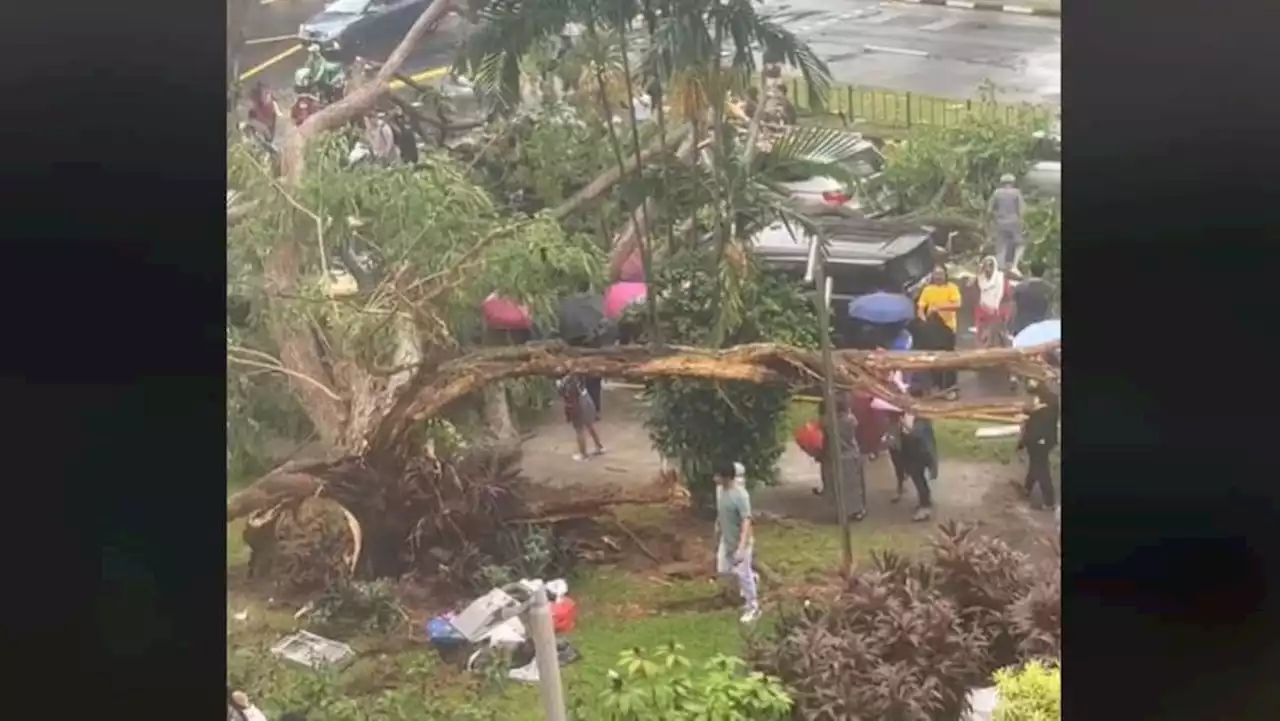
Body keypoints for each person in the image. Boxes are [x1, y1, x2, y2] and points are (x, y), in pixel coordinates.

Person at [713, 461, 760, 623]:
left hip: (742, 542)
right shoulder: (720, 491)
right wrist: (718, 527)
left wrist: (741, 547)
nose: (714, 479)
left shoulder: (740, 495)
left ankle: (753, 607)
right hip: (726, 540)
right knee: (723, 569)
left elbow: (746, 521)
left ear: (726, 478)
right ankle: (752, 578)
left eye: (718, 476)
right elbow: (722, 511)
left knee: (742, 573)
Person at [819, 393, 867, 522]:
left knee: (836, 486)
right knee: (854, 486)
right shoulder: (851, 420)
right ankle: (857, 511)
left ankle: (840, 512)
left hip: (834, 456)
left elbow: (824, 440)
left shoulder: (827, 422)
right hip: (851, 455)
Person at [915, 266, 961, 398]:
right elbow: (920, 307)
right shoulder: (928, 290)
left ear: (946, 275)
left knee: (949, 360)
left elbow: (957, 305)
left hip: (947, 328)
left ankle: (950, 389)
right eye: (935, 274)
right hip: (932, 330)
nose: (938, 276)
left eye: (941, 274)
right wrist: (923, 318)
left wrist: (939, 307)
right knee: (933, 358)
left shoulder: (951, 288)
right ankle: (936, 387)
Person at [896, 385, 939, 522]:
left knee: (918, 477)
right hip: (910, 450)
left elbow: (918, 434)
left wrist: (905, 425)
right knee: (917, 477)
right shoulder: (908, 412)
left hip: (919, 452)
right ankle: (924, 500)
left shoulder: (921, 416)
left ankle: (925, 506)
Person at [1019, 379, 1059, 512]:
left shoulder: (1045, 405)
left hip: (1039, 441)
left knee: (1041, 469)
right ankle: (1027, 488)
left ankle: (1049, 502)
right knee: (1035, 464)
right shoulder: (1049, 399)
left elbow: (1037, 422)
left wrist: (1025, 440)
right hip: (1044, 440)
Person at [555, 374, 605, 461]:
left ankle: (583, 454)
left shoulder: (566, 380)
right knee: (589, 424)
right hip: (586, 397)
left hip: (577, 402)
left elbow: (562, 392)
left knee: (579, 429)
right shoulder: (577, 373)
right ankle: (599, 446)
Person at [970, 255, 1012, 349]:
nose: (988, 268)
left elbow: (1007, 298)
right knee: (983, 340)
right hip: (982, 315)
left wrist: (1005, 314)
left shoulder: (1001, 280)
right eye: (986, 265)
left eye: (990, 265)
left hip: (998, 315)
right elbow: (974, 296)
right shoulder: (979, 279)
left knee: (997, 341)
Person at [988, 174, 1027, 273]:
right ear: (1013, 183)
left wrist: (994, 217)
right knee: (1019, 243)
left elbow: (989, 209)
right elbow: (1022, 210)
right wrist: (1023, 222)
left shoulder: (997, 193)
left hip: (1000, 222)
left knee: (1001, 245)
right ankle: (1014, 265)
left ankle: (1000, 267)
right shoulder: (1016, 193)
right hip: (1014, 222)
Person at [1011, 261, 1053, 336]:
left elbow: (1014, 309)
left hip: (1021, 326)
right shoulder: (1049, 289)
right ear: (1043, 273)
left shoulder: (1020, 287)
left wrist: (1012, 325)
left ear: (1030, 271)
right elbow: (1049, 311)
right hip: (1040, 327)